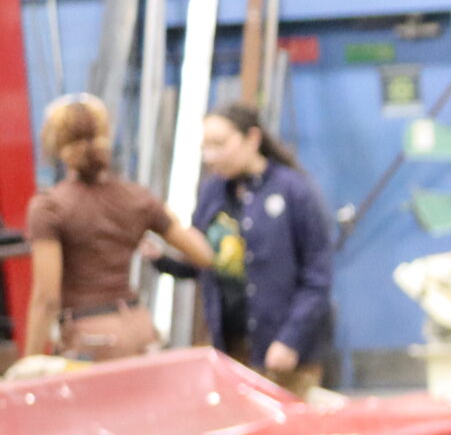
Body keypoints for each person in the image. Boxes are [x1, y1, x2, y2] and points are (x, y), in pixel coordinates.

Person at [21, 94, 214, 365]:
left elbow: (47, 298)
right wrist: (157, 210)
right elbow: (203, 254)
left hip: (90, 336)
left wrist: (28, 362)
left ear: (53, 142)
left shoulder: (49, 207)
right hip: (141, 329)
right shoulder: (137, 198)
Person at [192, 101, 334, 393]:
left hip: (286, 354)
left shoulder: (293, 190)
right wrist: (161, 252)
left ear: (252, 139)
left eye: (219, 144)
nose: (211, 156)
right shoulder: (212, 192)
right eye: (205, 147)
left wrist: (290, 340)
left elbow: (317, 279)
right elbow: (202, 259)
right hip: (231, 349)